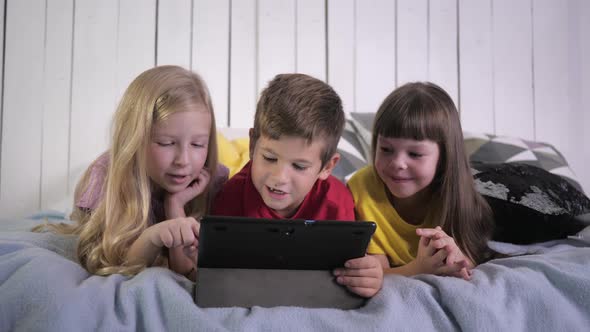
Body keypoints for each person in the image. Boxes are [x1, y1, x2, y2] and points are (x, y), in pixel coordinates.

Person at [36, 65, 227, 281]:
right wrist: (152, 238)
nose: (183, 160)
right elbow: (111, 263)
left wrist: (174, 206)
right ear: (135, 140)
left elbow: (186, 270)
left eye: (198, 144)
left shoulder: (212, 180)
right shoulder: (108, 178)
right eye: (166, 143)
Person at [211, 73, 383, 297]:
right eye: (270, 159)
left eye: (299, 166)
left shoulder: (336, 203)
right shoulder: (231, 196)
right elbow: (216, 271)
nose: (280, 177)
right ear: (252, 144)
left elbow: (348, 271)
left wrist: (368, 274)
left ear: (327, 167)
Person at [346, 82, 495, 280]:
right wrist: (417, 269)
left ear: (444, 157)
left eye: (415, 154)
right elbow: (375, 272)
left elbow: (470, 258)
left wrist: (457, 259)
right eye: (386, 149)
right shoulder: (361, 189)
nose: (398, 163)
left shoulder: (457, 194)